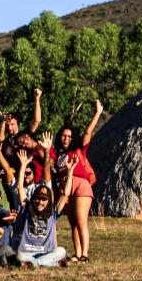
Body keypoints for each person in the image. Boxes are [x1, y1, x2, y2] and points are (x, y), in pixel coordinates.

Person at [48, 101, 103, 262]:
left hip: (80, 185)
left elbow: (88, 132)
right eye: (64, 136)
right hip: (66, 187)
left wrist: (97, 113)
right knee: (72, 222)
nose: (66, 139)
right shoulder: (56, 153)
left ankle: (85, 254)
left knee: (81, 220)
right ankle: (77, 253)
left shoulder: (78, 150)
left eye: (69, 136)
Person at [11, 155, 75, 268]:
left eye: (44, 199)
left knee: (61, 251)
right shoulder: (27, 208)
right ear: (33, 198)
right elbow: (20, 188)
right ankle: (50, 263)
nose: (40, 202)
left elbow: (65, 194)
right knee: (20, 256)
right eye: (38, 198)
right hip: (27, 253)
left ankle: (34, 264)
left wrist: (70, 171)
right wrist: (23, 166)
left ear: (48, 201)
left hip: (46, 252)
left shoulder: (53, 213)